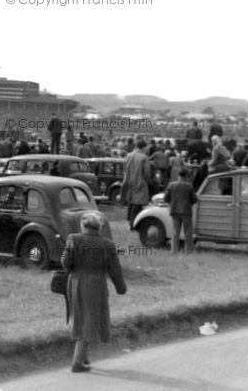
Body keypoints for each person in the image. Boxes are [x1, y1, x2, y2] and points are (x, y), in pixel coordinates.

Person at [61, 212, 127, 373]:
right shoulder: (108, 244)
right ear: (100, 227)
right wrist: (121, 288)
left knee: (80, 318)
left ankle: (83, 358)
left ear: (83, 226)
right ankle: (77, 362)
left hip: (75, 281)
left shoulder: (73, 239)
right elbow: (115, 270)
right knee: (89, 321)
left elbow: (64, 262)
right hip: (95, 284)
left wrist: (74, 270)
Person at [165, 169, 198, 253]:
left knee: (175, 231)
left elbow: (166, 198)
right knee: (187, 231)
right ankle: (189, 250)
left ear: (178, 176)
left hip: (174, 210)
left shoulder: (171, 185)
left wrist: (172, 202)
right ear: (186, 176)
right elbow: (194, 199)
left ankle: (174, 250)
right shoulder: (189, 186)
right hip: (186, 211)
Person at [122, 139, 151, 228]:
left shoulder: (129, 155)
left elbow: (124, 168)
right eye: (146, 147)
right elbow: (147, 172)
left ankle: (129, 220)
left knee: (131, 201)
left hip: (129, 181)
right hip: (140, 181)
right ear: (143, 147)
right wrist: (149, 181)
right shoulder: (143, 157)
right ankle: (135, 222)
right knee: (138, 204)